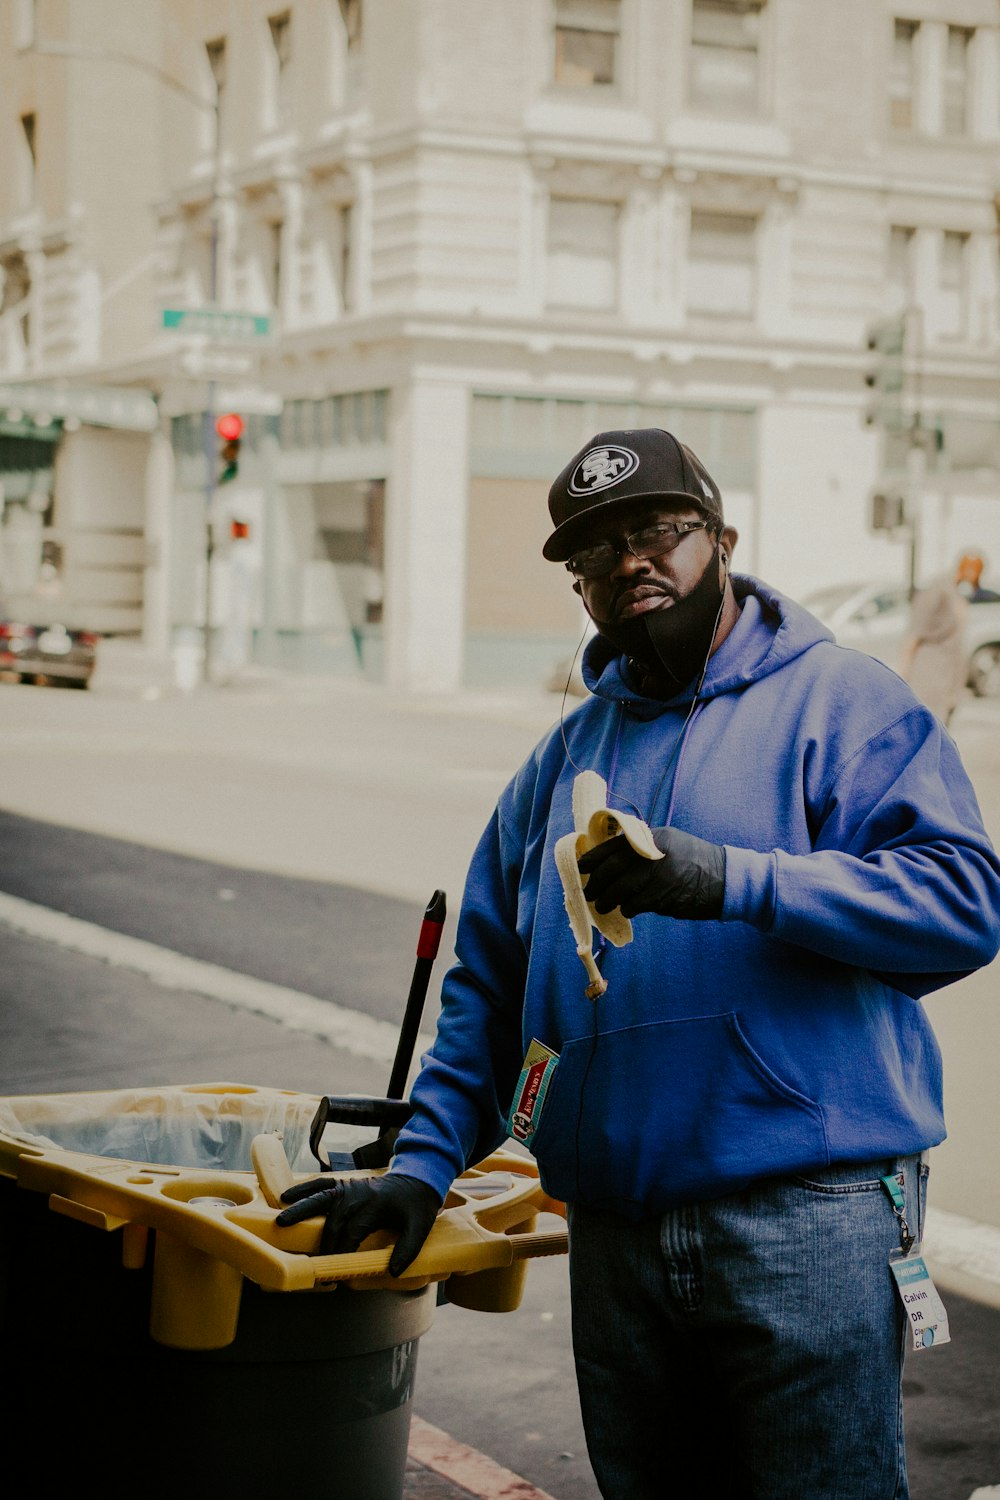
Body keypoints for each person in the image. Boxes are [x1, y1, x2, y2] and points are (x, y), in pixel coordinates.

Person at [278, 429, 1000, 1499]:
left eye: (658, 530)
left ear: (720, 540)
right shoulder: (560, 760)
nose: (629, 562)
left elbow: (961, 903)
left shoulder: (840, 704)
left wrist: (731, 881)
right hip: (614, 1236)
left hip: (806, 1217)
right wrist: (422, 1169)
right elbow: (489, 987)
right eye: (597, 551)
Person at [898, 551, 998, 726]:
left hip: (948, 676)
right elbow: (915, 633)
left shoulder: (957, 592)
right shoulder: (937, 589)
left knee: (943, 727)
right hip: (930, 673)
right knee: (929, 729)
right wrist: (904, 671)